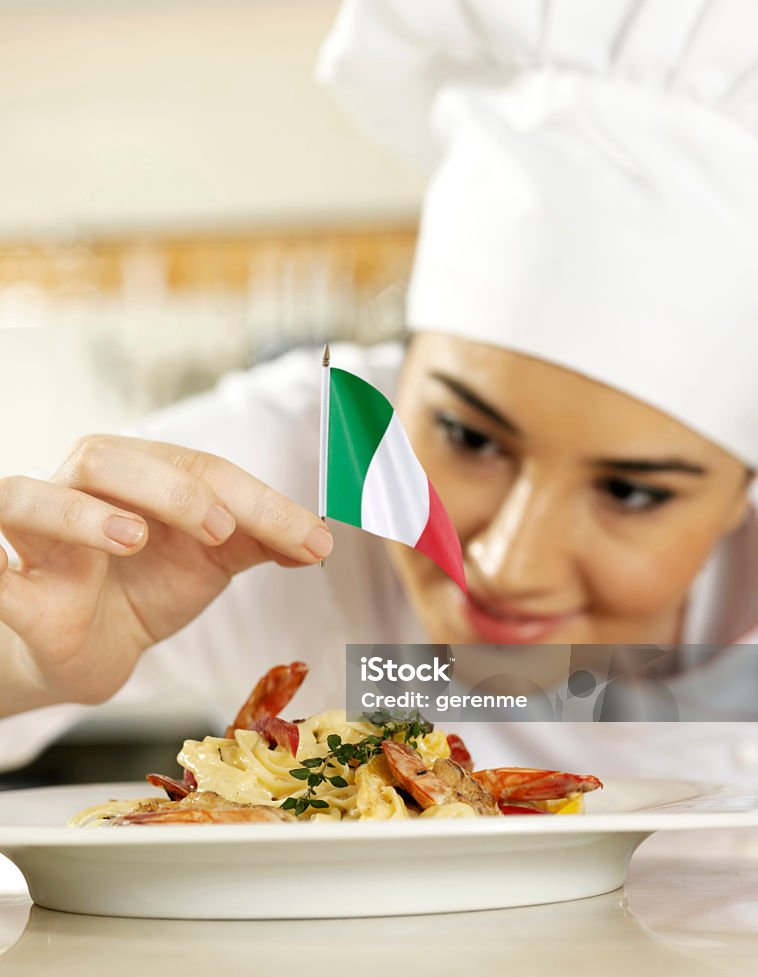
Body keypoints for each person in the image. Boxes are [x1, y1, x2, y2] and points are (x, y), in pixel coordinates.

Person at [1, 0, 757, 780]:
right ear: (403, 369)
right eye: (469, 437)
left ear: (744, 492)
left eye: (631, 492)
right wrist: (25, 665)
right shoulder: (282, 480)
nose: (508, 565)